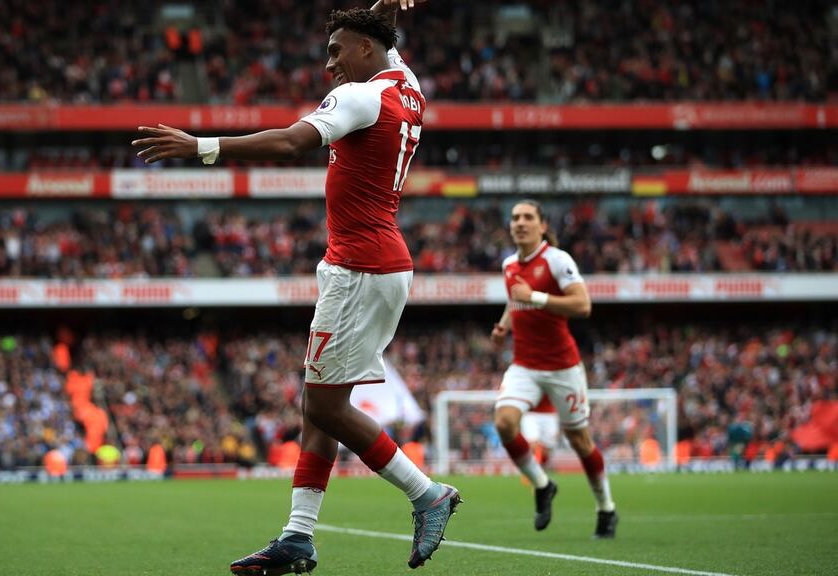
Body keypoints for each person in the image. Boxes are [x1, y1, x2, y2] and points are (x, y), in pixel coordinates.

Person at [132, 1, 460, 573]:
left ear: (364, 50)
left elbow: (290, 143)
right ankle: (298, 537)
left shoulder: (362, 96)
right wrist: (379, 13)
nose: (329, 64)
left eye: (337, 51)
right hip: (370, 263)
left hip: (361, 268)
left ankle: (426, 493)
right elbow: (389, 44)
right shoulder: (406, 87)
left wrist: (203, 147)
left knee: (324, 406)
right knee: (318, 406)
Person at [490, 199, 618, 538]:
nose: (520, 222)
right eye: (515, 217)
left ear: (542, 225)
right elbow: (515, 298)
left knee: (580, 441)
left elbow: (583, 305)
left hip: (563, 367)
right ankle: (542, 485)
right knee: (504, 423)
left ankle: (606, 507)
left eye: (528, 217)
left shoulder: (557, 260)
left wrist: (537, 298)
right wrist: (504, 325)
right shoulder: (509, 265)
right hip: (524, 365)